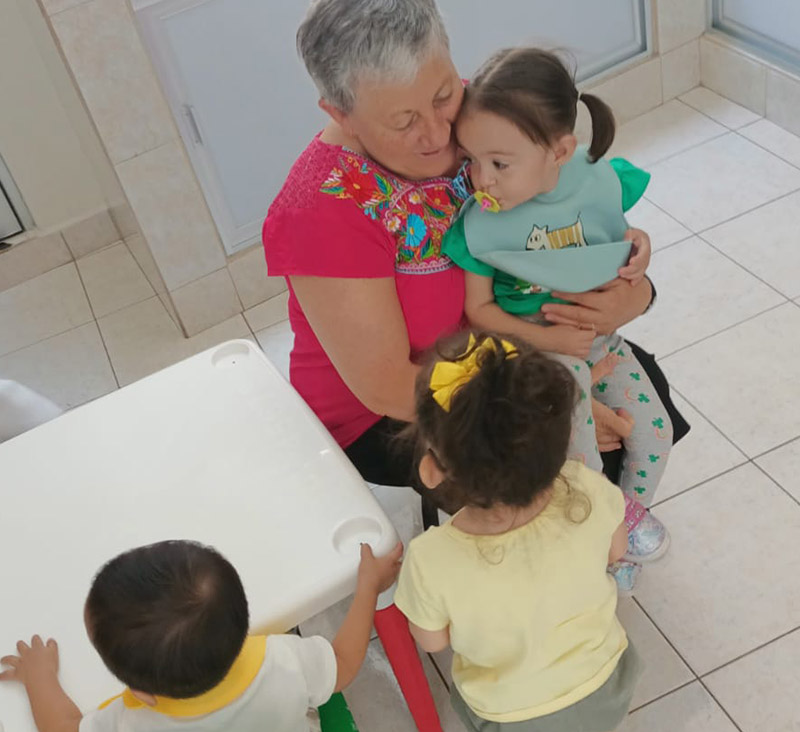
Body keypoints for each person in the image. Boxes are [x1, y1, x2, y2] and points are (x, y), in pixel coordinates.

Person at [262, 0, 688, 519]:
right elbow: (390, 385)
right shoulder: (320, 213)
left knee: (645, 391)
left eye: (444, 95)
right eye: (403, 122)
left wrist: (632, 293)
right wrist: (546, 410)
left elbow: (562, 207)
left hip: (514, 341)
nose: (439, 135)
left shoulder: (479, 120)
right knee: (543, 464)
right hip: (399, 411)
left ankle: (605, 539)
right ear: (340, 114)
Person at [442, 47, 673, 589]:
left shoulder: (595, 183)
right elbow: (479, 310)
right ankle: (605, 537)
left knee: (655, 430)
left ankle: (622, 531)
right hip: (535, 359)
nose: (482, 180)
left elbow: (618, 241)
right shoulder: (480, 225)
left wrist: (641, 247)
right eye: (472, 160)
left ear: (560, 151)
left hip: (602, 346)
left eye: (500, 163)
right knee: (583, 442)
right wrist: (550, 341)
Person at [394, 331, 649, 732]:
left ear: (434, 470)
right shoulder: (587, 487)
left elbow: (431, 640)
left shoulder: (431, 560)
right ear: (564, 438)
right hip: (598, 678)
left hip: (513, 710)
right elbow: (615, 552)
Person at [0, 539, 402, 732]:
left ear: (140, 692)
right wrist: (366, 587)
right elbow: (345, 664)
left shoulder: (131, 728)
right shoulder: (282, 658)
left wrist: (39, 679)